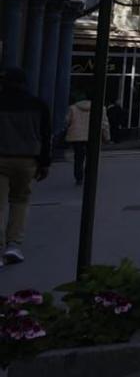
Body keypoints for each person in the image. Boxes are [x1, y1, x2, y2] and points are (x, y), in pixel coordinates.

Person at [0, 68, 53, 264]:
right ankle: (13, 244)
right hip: (27, 159)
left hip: (1, 156)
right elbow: (45, 135)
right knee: (20, 201)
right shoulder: (38, 105)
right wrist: (44, 162)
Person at [65, 93, 102, 184]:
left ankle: (79, 177)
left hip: (77, 136)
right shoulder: (99, 107)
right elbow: (104, 123)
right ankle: (89, 175)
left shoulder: (73, 108)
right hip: (92, 136)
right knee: (91, 157)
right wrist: (107, 137)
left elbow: (67, 121)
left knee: (78, 157)